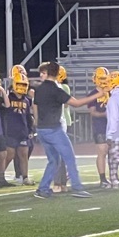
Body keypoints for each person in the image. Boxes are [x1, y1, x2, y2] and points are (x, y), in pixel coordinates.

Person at [32, 61, 104, 199]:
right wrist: (97, 95)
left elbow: (35, 106)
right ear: (58, 73)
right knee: (69, 158)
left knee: (53, 160)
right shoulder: (56, 90)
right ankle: (77, 188)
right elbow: (76, 104)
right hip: (54, 129)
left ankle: (43, 188)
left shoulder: (39, 89)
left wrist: (37, 122)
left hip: (41, 129)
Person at [4, 65, 35, 185]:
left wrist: (30, 129)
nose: (22, 87)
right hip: (11, 131)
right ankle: (1, 175)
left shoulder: (26, 100)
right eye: (19, 84)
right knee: (10, 154)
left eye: (24, 85)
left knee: (24, 154)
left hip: (22, 131)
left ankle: (25, 177)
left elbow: (28, 116)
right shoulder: (8, 97)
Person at [88, 67, 112, 189]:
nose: (103, 81)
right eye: (101, 78)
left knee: (113, 153)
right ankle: (102, 179)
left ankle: (114, 177)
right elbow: (93, 112)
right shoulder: (93, 94)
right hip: (100, 126)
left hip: (112, 127)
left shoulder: (111, 92)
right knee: (102, 152)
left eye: (105, 78)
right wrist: (105, 114)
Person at [52, 64, 72, 193]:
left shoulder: (62, 87)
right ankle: (62, 181)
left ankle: (59, 182)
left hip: (60, 122)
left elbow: (63, 105)